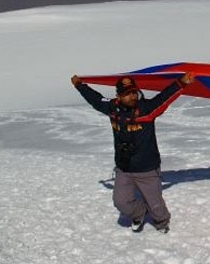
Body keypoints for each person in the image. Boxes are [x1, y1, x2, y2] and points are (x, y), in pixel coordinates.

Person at [70, 72, 195, 233]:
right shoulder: (112, 108)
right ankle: (139, 213)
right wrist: (79, 85)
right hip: (124, 168)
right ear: (118, 96)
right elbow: (95, 99)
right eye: (127, 94)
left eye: (133, 92)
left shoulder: (147, 109)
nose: (132, 96)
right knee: (121, 202)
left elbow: (164, 97)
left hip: (147, 169)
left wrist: (181, 83)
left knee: (156, 205)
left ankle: (162, 222)